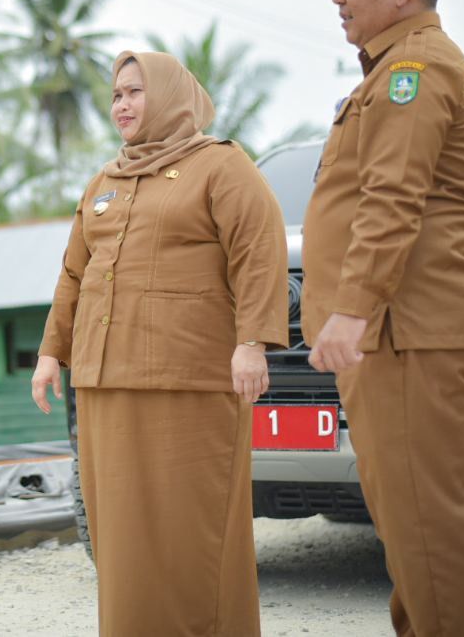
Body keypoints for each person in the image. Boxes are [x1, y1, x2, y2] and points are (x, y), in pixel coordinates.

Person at [31, 50, 288, 636]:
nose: (122, 104)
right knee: (121, 535)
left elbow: (259, 249)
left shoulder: (220, 166)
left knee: (188, 531)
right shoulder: (104, 180)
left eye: (135, 92)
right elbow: (75, 272)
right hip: (102, 383)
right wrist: (52, 354)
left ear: (171, 96)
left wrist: (253, 341)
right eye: (116, 94)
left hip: (187, 381)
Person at [301, 0, 464, 636]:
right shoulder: (392, 69)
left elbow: (393, 196)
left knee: (427, 520)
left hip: (407, 326)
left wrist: (351, 309)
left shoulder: (419, 69)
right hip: (394, 328)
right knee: (408, 520)